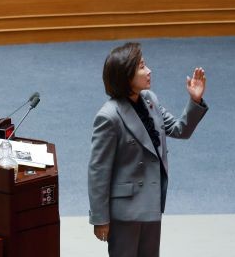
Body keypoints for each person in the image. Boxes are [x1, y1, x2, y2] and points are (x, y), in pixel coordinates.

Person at [88, 42, 208, 256]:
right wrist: (100, 219)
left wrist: (195, 100)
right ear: (126, 76)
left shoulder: (150, 100)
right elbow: (98, 171)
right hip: (125, 212)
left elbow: (179, 129)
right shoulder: (109, 117)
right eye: (142, 67)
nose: (149, 71)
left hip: (151, 203)